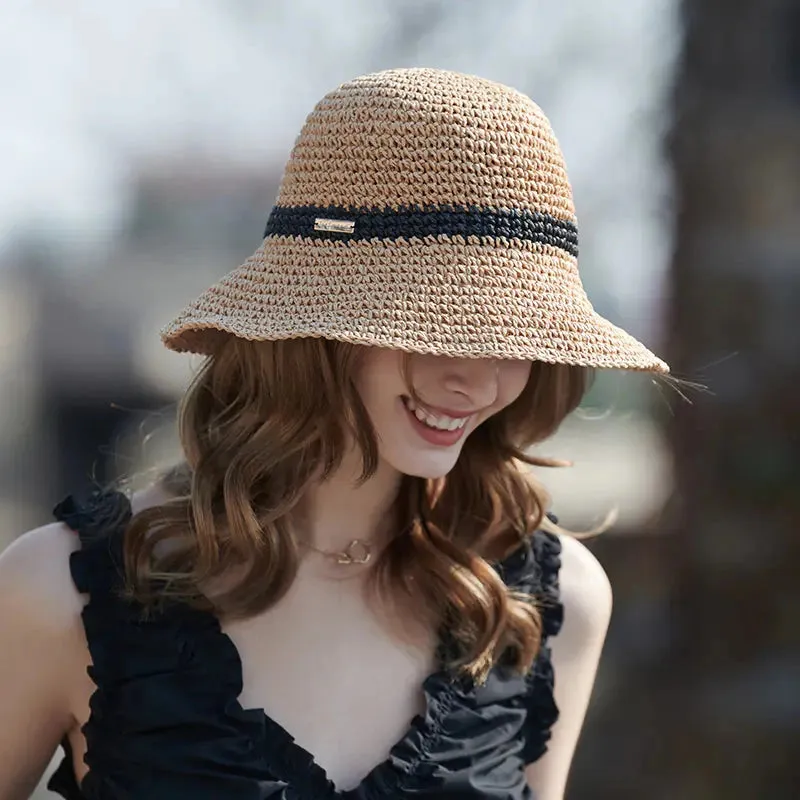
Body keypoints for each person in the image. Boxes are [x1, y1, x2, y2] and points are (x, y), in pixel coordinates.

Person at [0, 68, 669, 799]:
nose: (476, 383)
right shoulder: (59, 593)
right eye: (433, 326)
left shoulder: (551, 602)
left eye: (513, 336)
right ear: (315, 326)